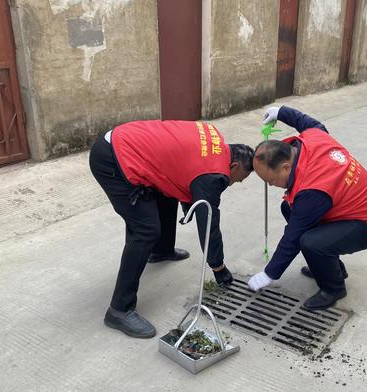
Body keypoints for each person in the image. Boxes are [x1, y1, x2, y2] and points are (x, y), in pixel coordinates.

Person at [90, 119, 254, 338]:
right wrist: (218, 267)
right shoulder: (214, 173)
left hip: (125, 142)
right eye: (239, 179)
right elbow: (208, 223)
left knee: (167, 191)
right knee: (145, 230)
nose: (233, 183)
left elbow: (185, 184)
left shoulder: (215, 142)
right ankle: (119, 310)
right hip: (113, 159)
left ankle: (161, 251)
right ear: (234, 166)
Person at [248, 106, 367, 310]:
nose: (271, 185)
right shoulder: (313, 138)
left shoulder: (312, 189)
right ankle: (331, 268)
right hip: (347, 209)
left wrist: (270, 273)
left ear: (286, 167)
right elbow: (311, 123)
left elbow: (293, 237)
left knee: (309, 241)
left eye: (270, 180)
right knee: (288, 208)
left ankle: (334, 288)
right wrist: (282, 112)